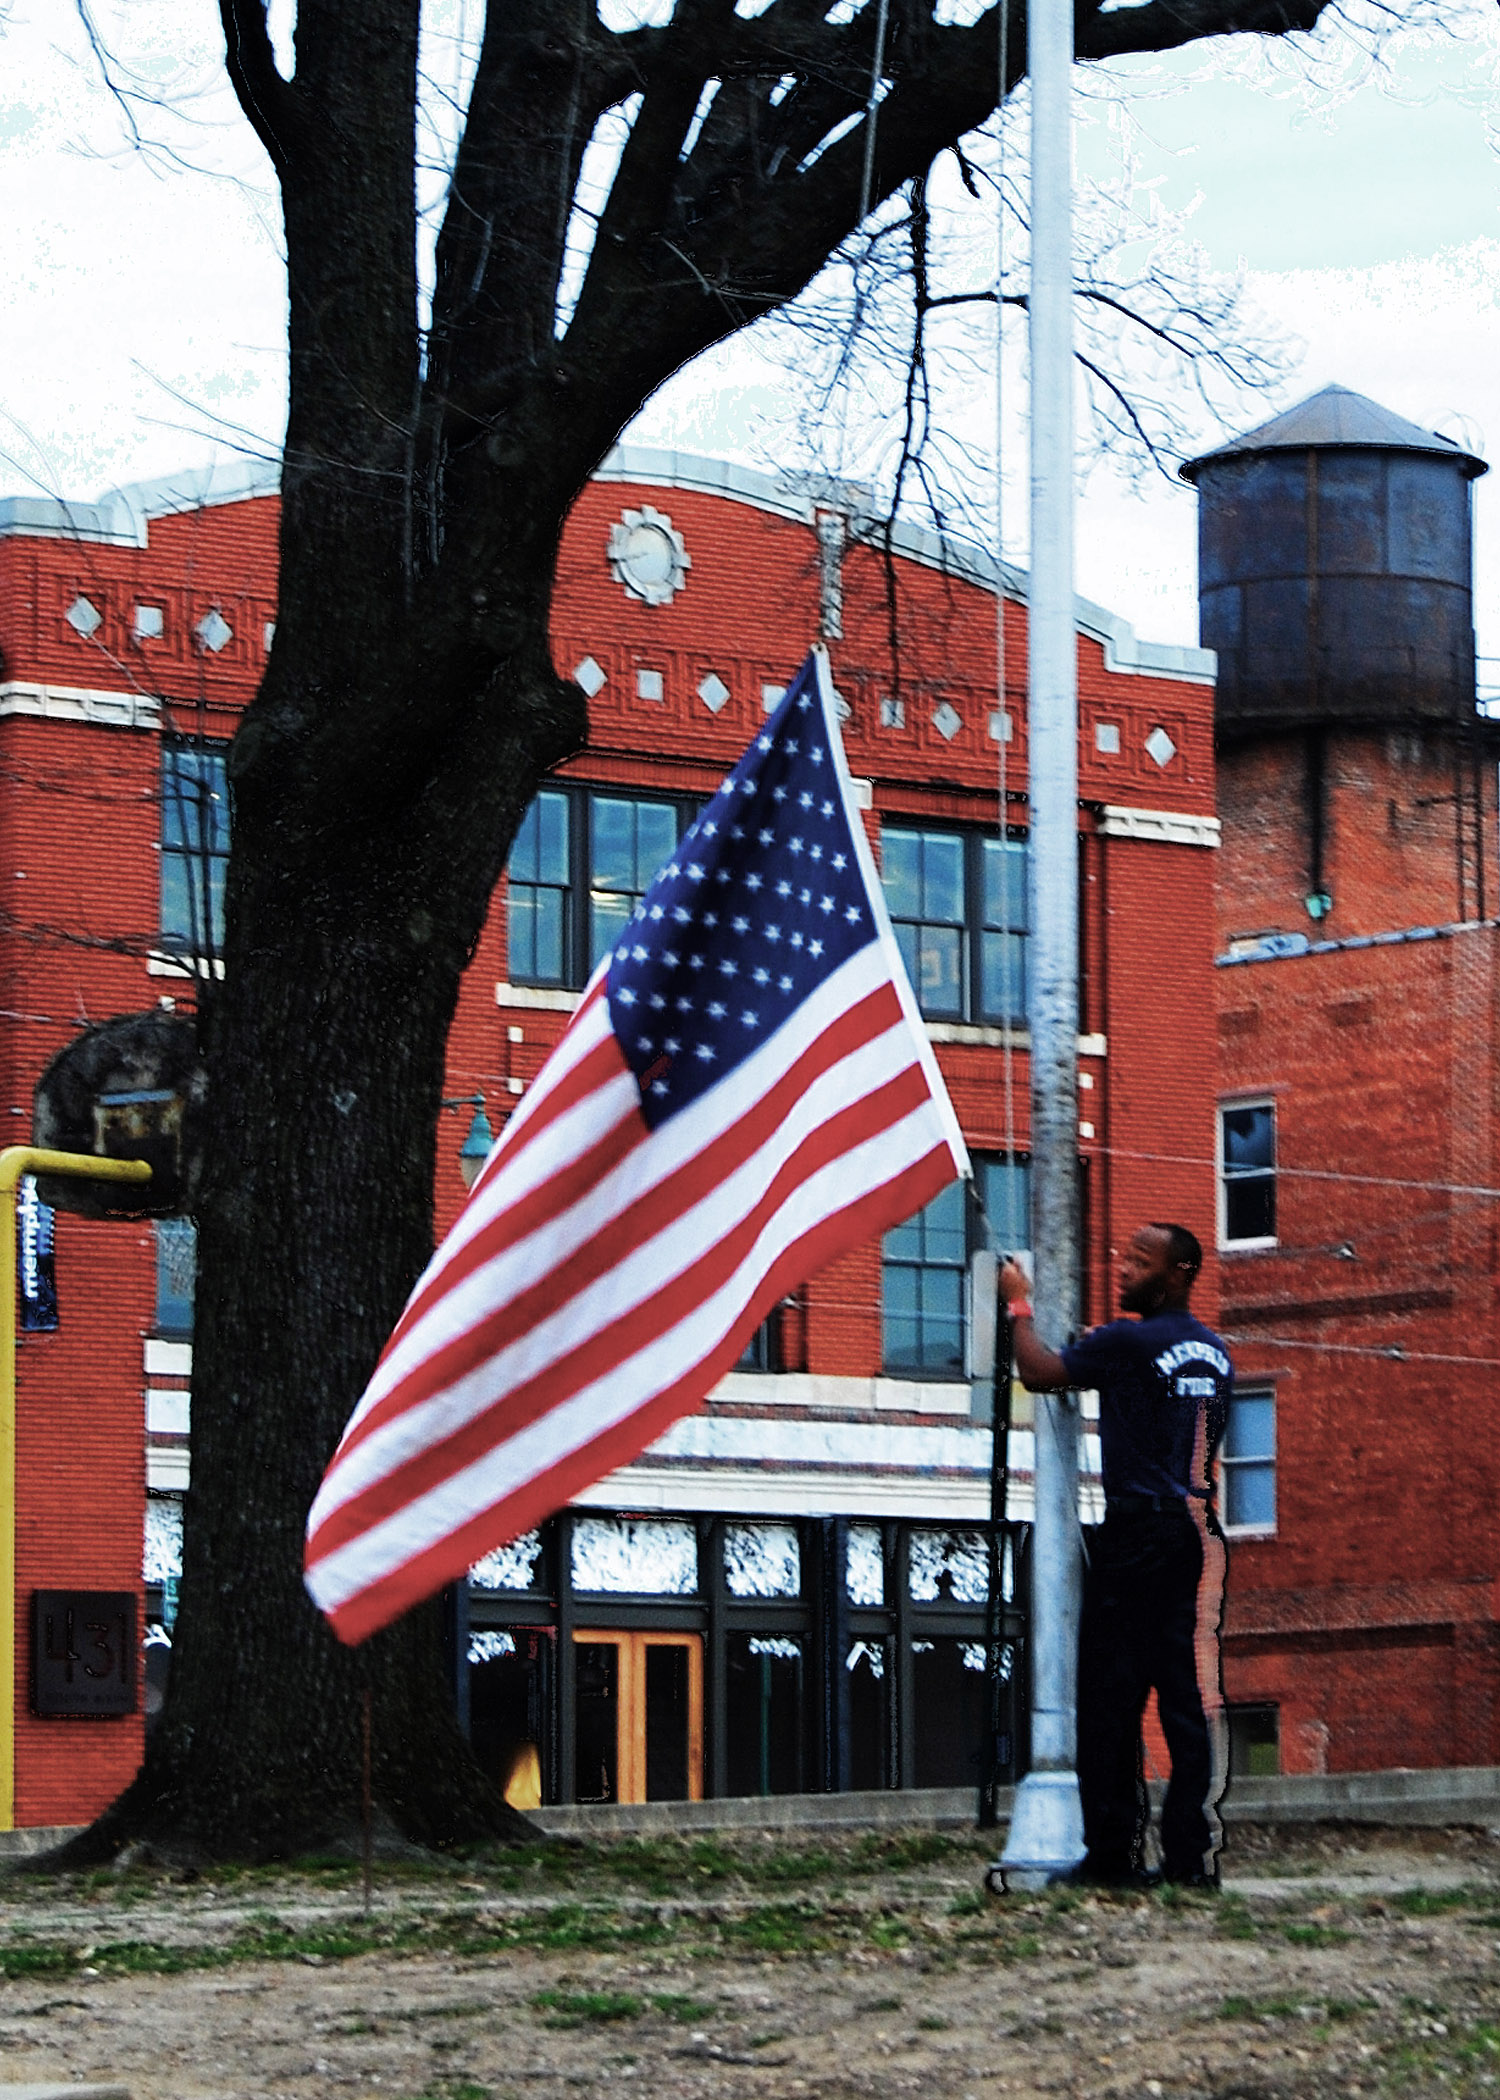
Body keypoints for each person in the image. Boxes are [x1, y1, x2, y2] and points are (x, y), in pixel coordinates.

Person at [999, 1223, 1233, 1889]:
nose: (1122, 1269)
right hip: (1196, 1531)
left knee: (1109, 1700)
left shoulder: (1129, 1342)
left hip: (1136, 1533)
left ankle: (1110, 1858)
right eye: (1123, 1257)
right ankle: (1191, 1862)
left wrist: (1018, 1303)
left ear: (1180, 1271)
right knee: (1186, 1703)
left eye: (1140, 1261)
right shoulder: (1215, 1353)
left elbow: (1041, 1372)